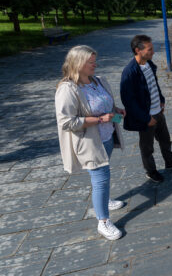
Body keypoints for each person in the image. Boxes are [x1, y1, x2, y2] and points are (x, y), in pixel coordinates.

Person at [55, 45, 125, 240]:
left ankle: (104, 201)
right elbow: (66, 122)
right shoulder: (68, 89)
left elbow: (106, 104)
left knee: (102, 176)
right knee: (101, 178)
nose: (95, 64)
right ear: (77, 63)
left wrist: (116, 110)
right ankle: (103, 222)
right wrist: (100, 119)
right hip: (89, 143)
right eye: (90, 61)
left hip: (107, 137)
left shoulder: (98, 81)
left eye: (94, 60)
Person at [120, 35, 172, 183]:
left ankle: (170, 162)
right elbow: (128, 101)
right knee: (147, 147)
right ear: (138, 50)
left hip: (158, 112)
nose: (153, 52)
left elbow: (154, 85)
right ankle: (151, 171)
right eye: (150, 49)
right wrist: (145, 118)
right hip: (147, 117)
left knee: (165, 140)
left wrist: (161, 100)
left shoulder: (149, 64)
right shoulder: (129, 73)